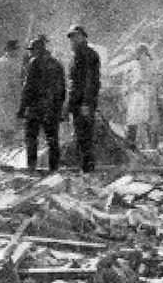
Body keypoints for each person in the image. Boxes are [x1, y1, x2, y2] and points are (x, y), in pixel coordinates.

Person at [18, 35, 66, 172]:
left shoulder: (34, 62)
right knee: (52, 140)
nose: (30, 52)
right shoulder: (57, 63)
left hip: (36, 107)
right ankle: (54, 169)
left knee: (31, 138)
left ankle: (31, 167)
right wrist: (59, 108)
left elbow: (28, 87)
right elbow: (62, 89)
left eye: (31, 50)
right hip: (52, 108)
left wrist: (22, 109)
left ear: (37, 50)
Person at [66, 25, 101, 173]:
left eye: (75, 36)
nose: (73, 40)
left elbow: (90, 81)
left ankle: (88, 168)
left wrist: (86, 103)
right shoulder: (77, 55)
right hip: (77, 101)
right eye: (71, 37)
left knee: (85, 135)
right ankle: (84, 167)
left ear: (83, 37)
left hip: (84, 102)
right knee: (80, 134)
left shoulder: (88, 55)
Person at [123, 44, 158, 150]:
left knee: (148, 121)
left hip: (147, 95)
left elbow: (154, 80)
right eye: (139, 53)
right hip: (134, 96)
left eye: (143, 53)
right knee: (133, 120)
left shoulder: (151, 65)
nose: (141, 56)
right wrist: (129, 90)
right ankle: (131, 146)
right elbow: (126, 82)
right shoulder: (131, 66)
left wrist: (146, 84)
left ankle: (150, 148)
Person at [0, 40, 25, 147]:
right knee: (7, 128)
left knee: (10, 127)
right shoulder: (4, 63)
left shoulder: (10, 62)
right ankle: (5, 151)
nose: (17, 52)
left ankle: (7, 149)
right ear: (9, 50)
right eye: (15, 49)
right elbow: (6, 84)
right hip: (7, 99)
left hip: (10, 99)